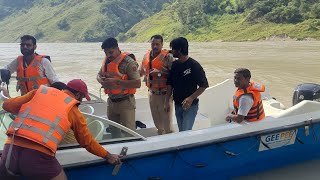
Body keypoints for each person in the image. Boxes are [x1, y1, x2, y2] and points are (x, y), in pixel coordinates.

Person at [0, 79, 121, 179]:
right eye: (82, 98)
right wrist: (108, 156)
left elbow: (7, 105)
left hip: (10, 149)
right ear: (78, 95)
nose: (81, 101)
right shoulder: (73, 111)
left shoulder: (38, 92)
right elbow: (87, 142)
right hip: (38, 155)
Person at [97, 37, 141, 133]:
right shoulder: (107, 61)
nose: (108, 55)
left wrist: (117, 82)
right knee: (114, 131)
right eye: (106, 53)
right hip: (111, 102)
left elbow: (138, 83)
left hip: (126, 102)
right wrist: (102, 81)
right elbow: (98, 75)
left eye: (111, 52)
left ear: (117, 48)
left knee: (129, 133)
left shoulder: (129, 62)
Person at [165, 37, 209, 132]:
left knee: (186, 131)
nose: (171, 51)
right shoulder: (174, 65)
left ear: (179, 50)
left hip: (190, 106)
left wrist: (191, 98)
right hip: (177, 104)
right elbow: (170, 84)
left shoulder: (194, 65)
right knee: (181, 131)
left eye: (173, 48)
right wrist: (166, 101)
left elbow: (204, 85)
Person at [139, 35, 174, 135]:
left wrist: (160, 73)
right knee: (157, 123)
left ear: (162, 44)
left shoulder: (168, 57)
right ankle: (160, 137)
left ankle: (170, 143)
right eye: (153, 44)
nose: (155, 46)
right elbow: (140, 72)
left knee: (167, 125)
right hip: (152, 94)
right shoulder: (146, 56)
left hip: (165, 94)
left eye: (157, 44)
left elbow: (175, 76)